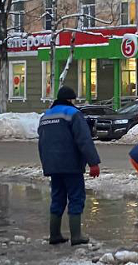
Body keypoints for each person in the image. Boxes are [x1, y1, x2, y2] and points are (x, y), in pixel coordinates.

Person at [37, 85, 101, 245]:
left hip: (52, 166)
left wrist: (46, 163)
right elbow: (84, 140)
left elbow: (41, 142)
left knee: (57, 198)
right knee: (76, 198)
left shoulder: (45, 116)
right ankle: (76, 236)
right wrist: (93, 162)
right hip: (71, 165)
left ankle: (55, 235)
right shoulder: (73, 114)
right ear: (70, 100)